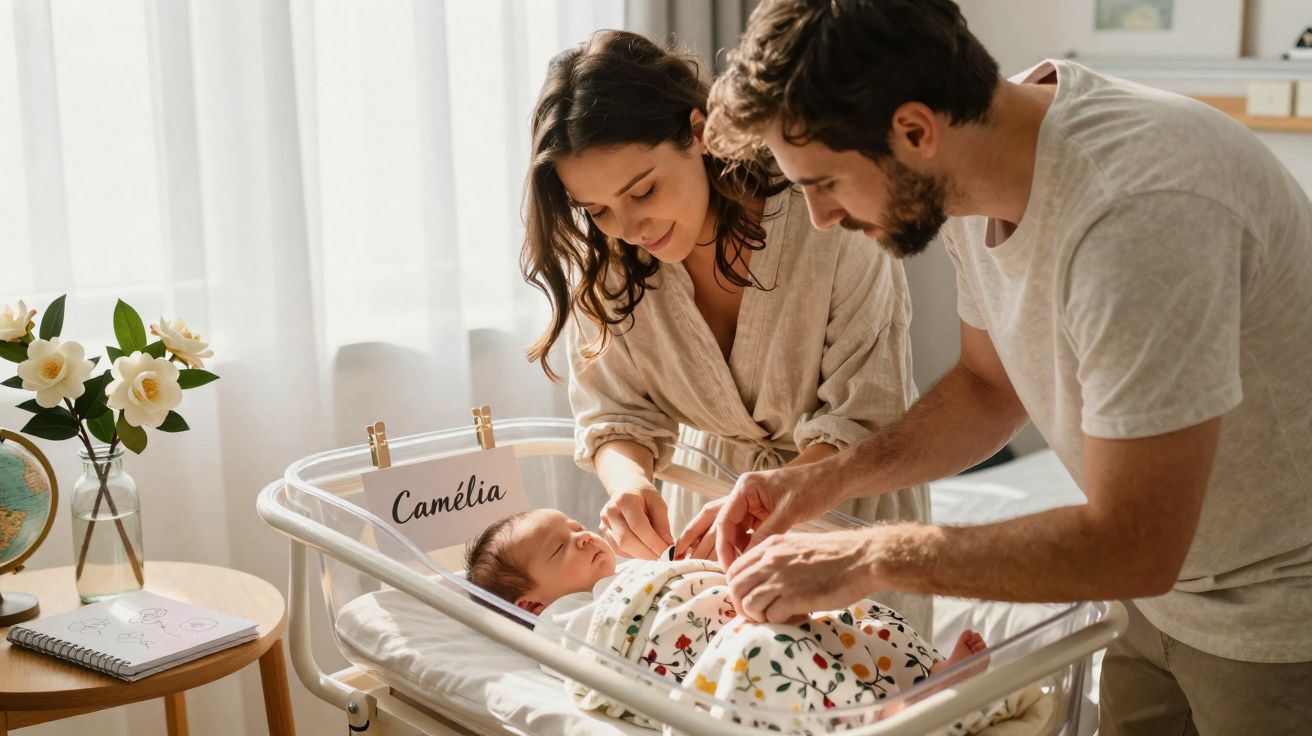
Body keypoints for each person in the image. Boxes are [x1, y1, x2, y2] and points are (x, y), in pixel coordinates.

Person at [702, 0, 1312, 733]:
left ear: (914, 130)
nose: (820, 218)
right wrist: (821, 480)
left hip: (1278, 612)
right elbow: (989, 389)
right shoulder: (980, 167)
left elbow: (1134, 542)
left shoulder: (1139, 214)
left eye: (824, 183)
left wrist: (872, 555)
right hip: (1158, 597)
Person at [520, 30, 930, 631]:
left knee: (863, 698)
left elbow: (867, 410)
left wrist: (776, 493)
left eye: (643, 190)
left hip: (844, 510)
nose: (629, 226)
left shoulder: (828, 217)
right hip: (712, 511)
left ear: (696, 131)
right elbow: (615, 415)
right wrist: (629, 482)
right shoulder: (610, 269)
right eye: (599, 209)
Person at [463, 508, 989, 727]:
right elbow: (618, 653)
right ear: (532, 605)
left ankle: (916, 680)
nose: (582, 536)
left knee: (851, 617)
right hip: (712, 649)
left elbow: (674, 582)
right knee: (760, 657)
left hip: (734, 611)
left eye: (575, 526)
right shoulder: (558, 627)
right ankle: (876, 721)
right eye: (560, 549)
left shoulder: (629, 573)